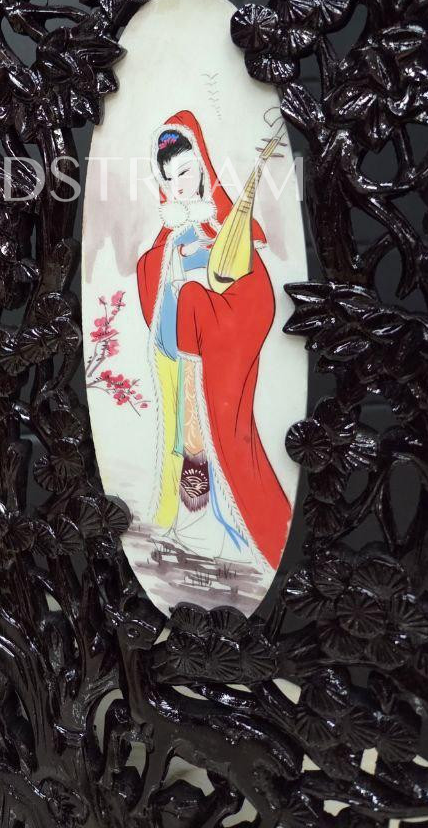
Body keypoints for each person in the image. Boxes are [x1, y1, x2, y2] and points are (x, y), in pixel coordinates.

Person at [136, 110, 289, 571]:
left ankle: (219, 527)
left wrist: (199, 290)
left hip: (211, 350)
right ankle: (183, 517)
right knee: (182, 435)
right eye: (168, 178)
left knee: (205, 431)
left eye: (185, 172)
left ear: (202, 164)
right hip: (176, 349)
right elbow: (151, 273)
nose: (179, 186)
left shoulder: (227, 225)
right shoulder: (171, 228)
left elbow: (254, 297)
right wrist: (172, 258)